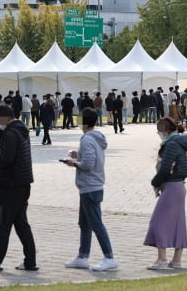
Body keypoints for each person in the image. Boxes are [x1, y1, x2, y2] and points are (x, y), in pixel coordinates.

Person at [0, 104, 37, 271]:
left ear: (4, 118)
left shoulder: (10, 133)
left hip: (9, 185)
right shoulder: (21, 130)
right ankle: (30, 261)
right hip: (23, 183)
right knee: (21, 224)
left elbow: (6, 160)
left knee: (2, 224)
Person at [63, 107, 118, 271]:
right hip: (90, 187)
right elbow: (90, 158)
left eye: (79, 119)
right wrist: (77, 155)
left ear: (85, 122)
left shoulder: (87, 139)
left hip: (90, 187)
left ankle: (109, 257)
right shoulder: (94, 138)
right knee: (84, 223)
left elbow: (88, 165)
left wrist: (73, 163)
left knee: (96, 224)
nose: (78, 122)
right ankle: (82, 256)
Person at [144, 117, 187, 270]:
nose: (159, 134)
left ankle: (162, 259)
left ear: (165, 131)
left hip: (171, 187)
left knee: (158, 222)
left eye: (159, 131)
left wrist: (155, 183)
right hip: (179, 186)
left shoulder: (171, 144)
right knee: (178, 224)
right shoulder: (178, 142)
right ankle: (176, 260)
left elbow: (165, 168)